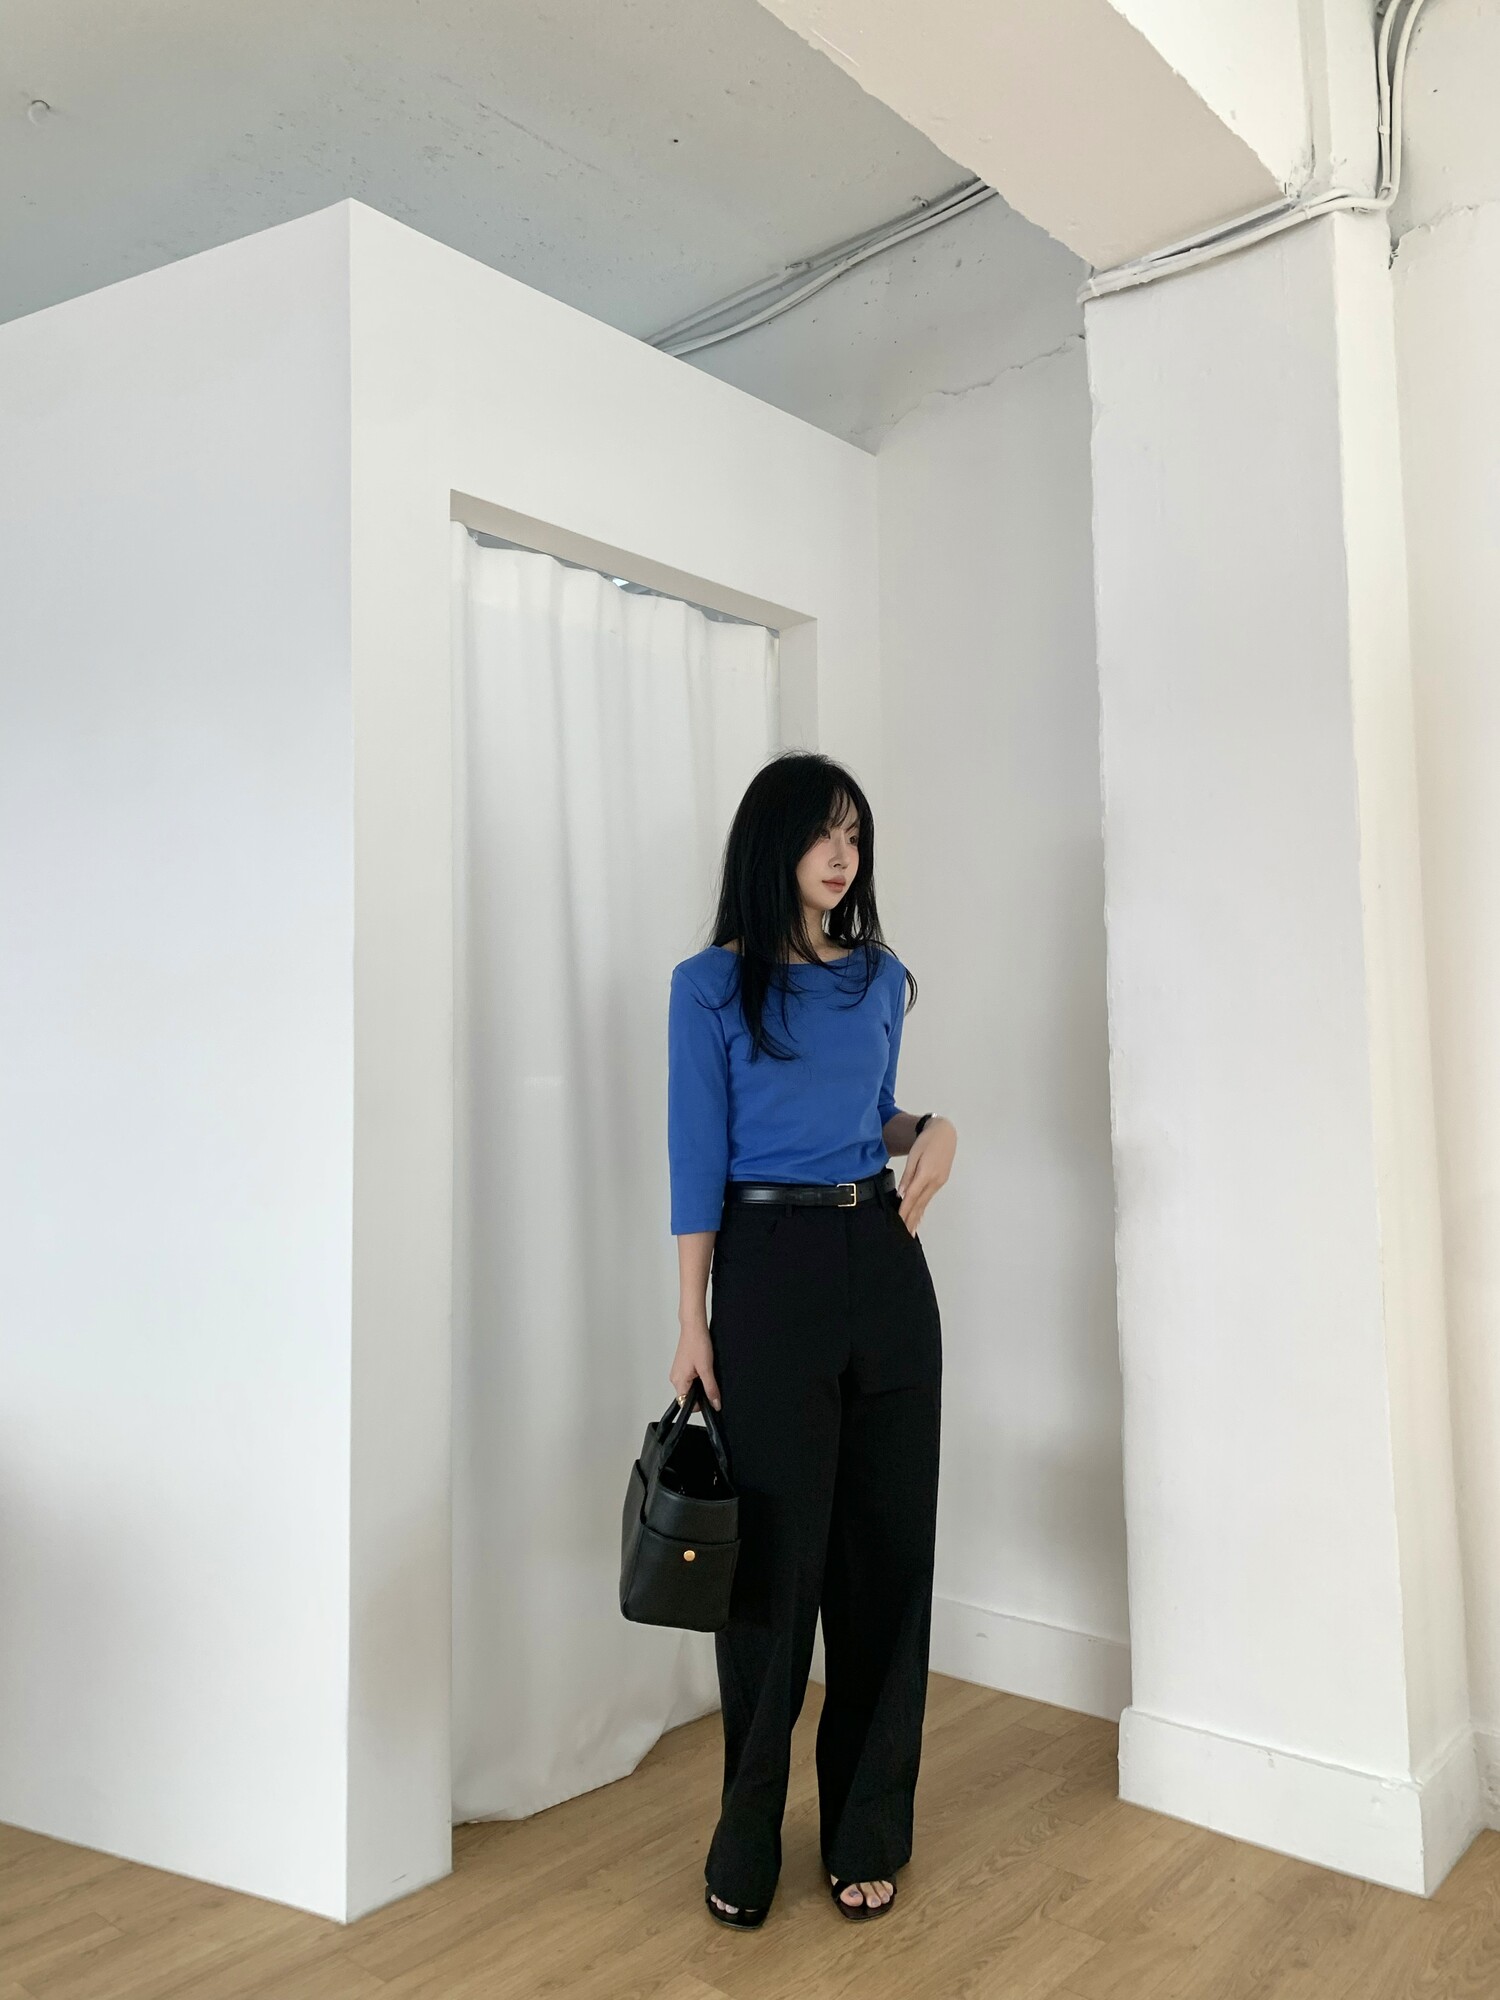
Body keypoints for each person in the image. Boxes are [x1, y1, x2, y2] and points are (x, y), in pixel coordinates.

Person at [666, 749, 956, 1929]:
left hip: (882, 1260)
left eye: (856, 835)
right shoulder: (708, 985)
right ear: (772, 843)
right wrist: (691, 1318)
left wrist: (932, 1126)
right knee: (772, 1574)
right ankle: (746, 1829)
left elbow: (873, 1113)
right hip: (767, 1268)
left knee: (886, 1561)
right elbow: (696, 1157)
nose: (844, 855)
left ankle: (866, 1828)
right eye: (823, 833)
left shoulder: (879, 975)